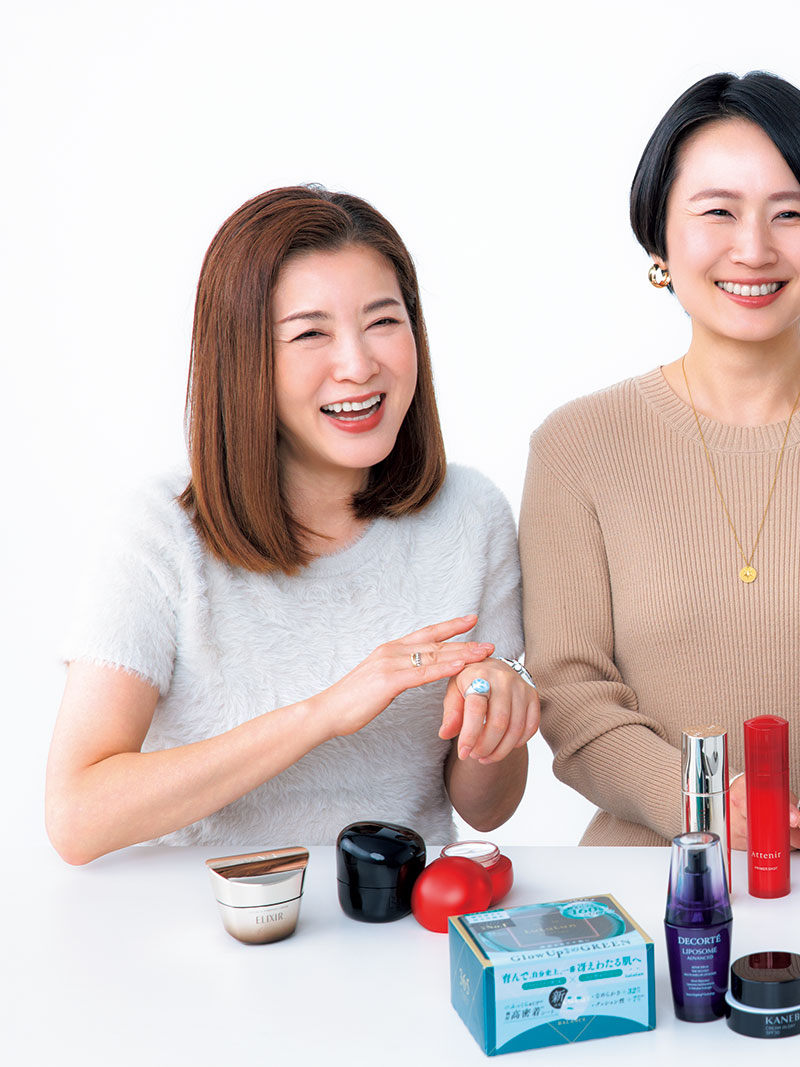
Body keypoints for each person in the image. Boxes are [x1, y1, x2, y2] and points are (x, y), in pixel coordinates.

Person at [521, 72, 800, 867]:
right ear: (660, 238)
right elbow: (573, 694)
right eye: (718, 211)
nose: (755, 248)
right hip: (654, 882)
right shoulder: (576, 445)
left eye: (789, 213)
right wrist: (698, 800)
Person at [45, 187, 539, 864]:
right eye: (311, 333)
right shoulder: (160, 530)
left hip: (394, 911)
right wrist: (324, 713)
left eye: (383, 321)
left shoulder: (469, 513)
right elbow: (76, 817)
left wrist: (496, 719)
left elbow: (487, 808)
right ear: (243, 359)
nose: (359, 365)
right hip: (210, 912)